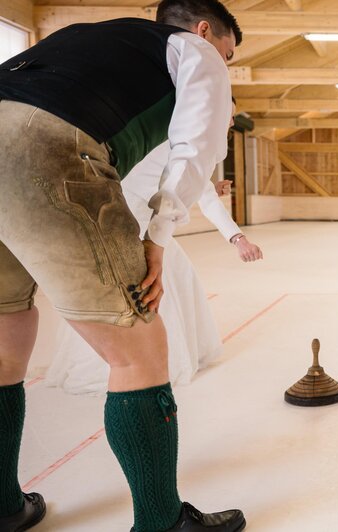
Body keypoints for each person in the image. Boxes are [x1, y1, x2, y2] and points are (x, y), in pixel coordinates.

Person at [0, 0, 248, 529]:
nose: (222, 65)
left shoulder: (91, 37)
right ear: (206, 31)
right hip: (42, 149)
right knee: (137, 346)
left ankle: (1, 506)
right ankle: (161, 521)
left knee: (3, 330)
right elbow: (196, 145)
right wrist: (158, 234)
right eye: (226, 54)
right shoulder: (196, 49)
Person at [47, 139, 264, 396]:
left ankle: (118, 358)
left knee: (151, 283)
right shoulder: (191, 143)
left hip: (115, 219)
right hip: (140, 229)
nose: (228, 126)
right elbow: (204, 198)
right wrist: (238, 239)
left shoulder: (149, 137)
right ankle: (144, 364)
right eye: (227, 117)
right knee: (158, 287)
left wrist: (207, 186)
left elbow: (166, 180)